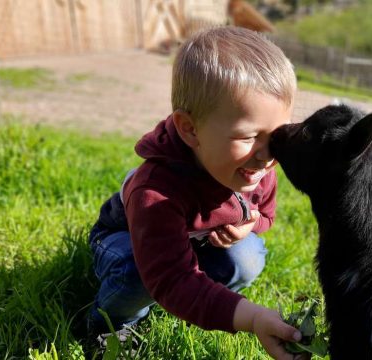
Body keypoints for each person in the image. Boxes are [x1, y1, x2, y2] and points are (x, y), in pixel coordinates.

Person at [87, 26, 303, 359]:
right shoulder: (156, 191)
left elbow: (266, 216)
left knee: (247, 257)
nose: (267, 155)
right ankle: (112, 325)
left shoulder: (256, 167)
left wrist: (249, 225)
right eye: (248, 137)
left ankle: (202, 302)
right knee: (138, 274)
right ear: (190, 129)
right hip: (124, 240)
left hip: (190, 242)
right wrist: (253, 317)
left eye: (276, 137)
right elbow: (171, 278)